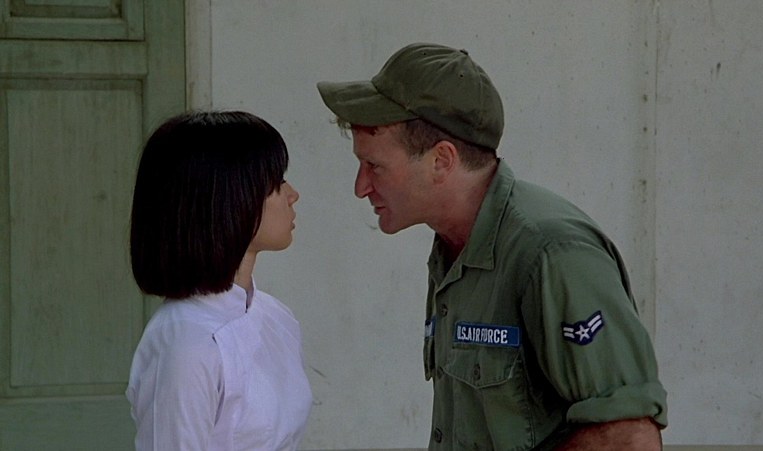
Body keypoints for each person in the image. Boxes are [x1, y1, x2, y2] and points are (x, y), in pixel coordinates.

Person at [317, 43, 667, 450]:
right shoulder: (455, 247)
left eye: (374, 166)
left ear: (441, 160)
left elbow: (629, 438)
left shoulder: (551, 253)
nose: (361, 187)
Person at [126, 111, 312, 450]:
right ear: (228, 198)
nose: (292, 194)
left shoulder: (276, 318)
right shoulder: (185, 345)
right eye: (275, 182)